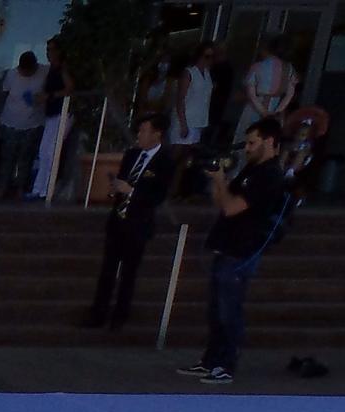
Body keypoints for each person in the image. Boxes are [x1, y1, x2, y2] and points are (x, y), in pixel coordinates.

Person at [181, 114, 286, 384]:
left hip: (242, 251)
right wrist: (218, 179)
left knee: (229, 309)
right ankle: (211, 360)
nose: (248, 148)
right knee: (216, 309)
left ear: (269, 141)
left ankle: (226, 364)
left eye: (252, 142)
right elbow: (224, 203)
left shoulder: (270, 175)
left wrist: (220, 181)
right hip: (227, 245)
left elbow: (232, 207)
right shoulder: (252, 170)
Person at [84, 112, 171, 331]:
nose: (139, 135)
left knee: (129, 272)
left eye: (144, 131)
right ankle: (98, 313)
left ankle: (120, 315)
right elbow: (123, 179)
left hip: (138, 223)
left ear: (157, 134)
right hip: (118, 220)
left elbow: (158, 196)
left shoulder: (165, 161)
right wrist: (116, 189)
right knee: (107, 269)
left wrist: (132, 191)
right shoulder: (132, 154)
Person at [0, 51, 46, 198]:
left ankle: (20, 188)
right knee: (7, 157)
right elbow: (3, 94)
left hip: (33, 123)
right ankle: (2, 188)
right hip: (10, 121)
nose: (27, 74)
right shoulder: (11, 75)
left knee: (26, 157)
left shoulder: (43, 72)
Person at [169, 44, 216, 198]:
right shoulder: (189, 73)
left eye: (211, 57)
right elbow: (180, 98)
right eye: (206, 56)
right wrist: (183, 123)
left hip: (198, 120)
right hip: (186, 118)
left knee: (187, 158)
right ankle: (167, 187)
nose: (209, 60)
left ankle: (176, 190)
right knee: (176, 156)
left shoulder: (207, 74)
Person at [29, 38, 74, 200]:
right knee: (44, 151)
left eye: (52, 50)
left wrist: (51, 96)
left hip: (61, 113)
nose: (49, 53)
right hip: (51, 114)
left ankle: (47, 189)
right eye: (47, 50)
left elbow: (70, 89)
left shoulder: (62, 69)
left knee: (50, 151)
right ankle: (38, 188)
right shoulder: (51, 71)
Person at [236, 35, 296, 144]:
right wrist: (278, 110)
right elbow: (290, 93)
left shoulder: (258, 66)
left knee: (247, 135)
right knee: (269, 138)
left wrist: (263, 111)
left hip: (255, 106)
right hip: (276, 105)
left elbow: (251, 94)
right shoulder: (289, 68)